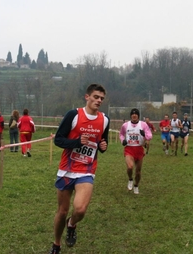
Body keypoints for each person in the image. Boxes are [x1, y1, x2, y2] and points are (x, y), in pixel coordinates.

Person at [49, 84, 110, 254]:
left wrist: (103, 146)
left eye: (101, 99)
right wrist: (76, 142)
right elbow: (58, 140)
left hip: (86, 170)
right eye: (96, 97)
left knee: (80, 209)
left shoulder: (104, 119)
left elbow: (102, 143)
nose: (99, 101)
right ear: (87, 97)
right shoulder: (73, 115)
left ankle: (72, 224)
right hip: (67, 169)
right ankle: (56, 244)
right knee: (62, 211)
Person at [120, 109, 152, 194]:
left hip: (139, 149)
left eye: (136, 115)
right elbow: (121, 134)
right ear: (130, 116)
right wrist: (122, 140)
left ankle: (136, 185)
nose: (134, 116)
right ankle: (130, 179)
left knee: (138, 171)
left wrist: (144, 134)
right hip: (129, 149)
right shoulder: (125, 125)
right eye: (133, 115)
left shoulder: (143, 124)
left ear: (138, 116)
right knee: (130, 167)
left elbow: (150, 136)